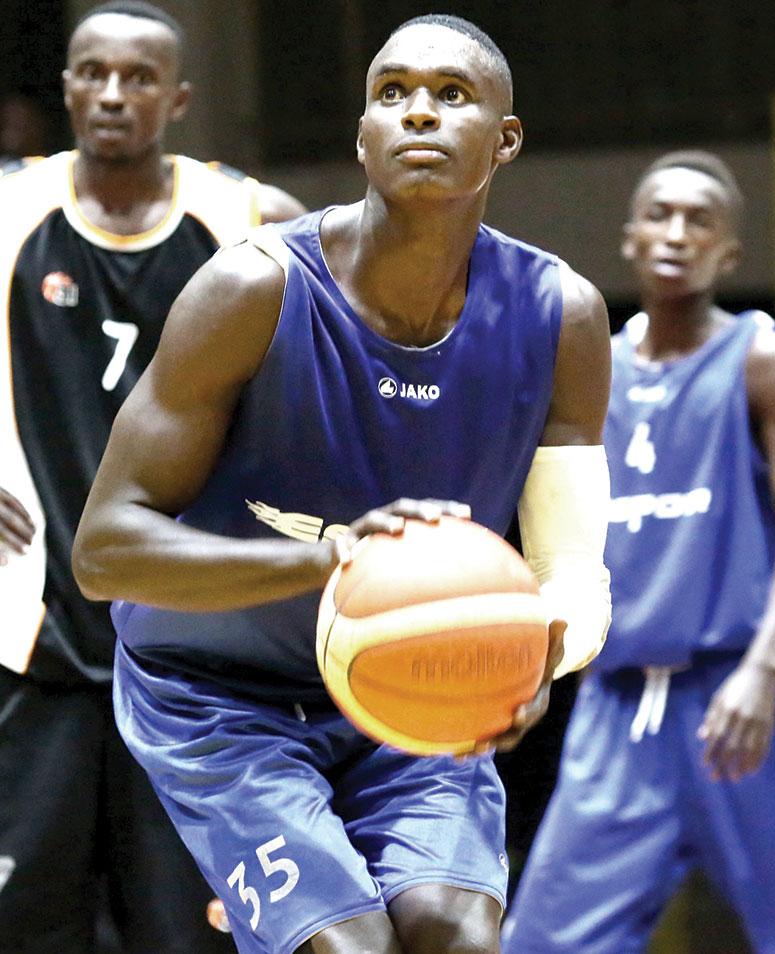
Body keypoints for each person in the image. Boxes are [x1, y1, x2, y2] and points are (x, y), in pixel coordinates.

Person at [72, 13, 613, 954]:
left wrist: (542, 654)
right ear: (362, 136)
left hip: (413, 692)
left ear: (505, 139)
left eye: (451, 96)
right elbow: (104, 552)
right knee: (349, 946)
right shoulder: (253, 289)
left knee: (456, 937)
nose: (418, 113)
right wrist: (331, 564)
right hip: (217, 699)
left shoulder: (560, 314)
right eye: (392, 94)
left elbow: (572, 571)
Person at [0, 3, 304, 952]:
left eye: (138, 78)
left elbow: (337, 388)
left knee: (189, 935)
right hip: (31, 640)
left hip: (192, 658)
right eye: (93, 73)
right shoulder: (9, 209)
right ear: (66, 87)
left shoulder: (254, 222)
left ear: (178, 99)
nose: (112, 94)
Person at [503, 151, 775, 953]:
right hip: (619, 703)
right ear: (630, 238)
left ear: (730, 253)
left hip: (745, 694)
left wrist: (763, 671)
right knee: (541, 942)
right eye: (660, 215)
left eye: (699, 221)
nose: (677, 233)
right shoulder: (594, 370)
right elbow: (556, 532)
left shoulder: (760, 358)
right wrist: (533, 661)